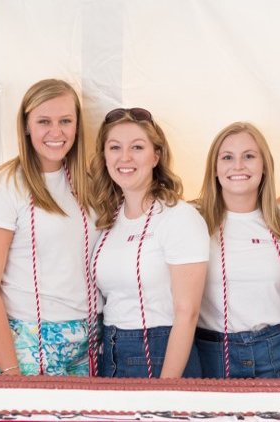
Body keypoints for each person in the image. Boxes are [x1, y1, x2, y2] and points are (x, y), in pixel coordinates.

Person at [0, 79, 99, 376]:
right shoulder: (4, 186)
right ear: (26, 126)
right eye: (44, 121)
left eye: (65, 121)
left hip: (89, 341)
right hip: (25, 344)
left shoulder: (88, 184)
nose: (56, 132)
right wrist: (10, 370)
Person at [89, 107, 208, 378]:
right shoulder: (109, 218)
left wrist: (165, 389)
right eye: (115, 147)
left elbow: (187, 313)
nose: (125, 157)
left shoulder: (178, 217)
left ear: (156, 156)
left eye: (137, 147)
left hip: (161, 352)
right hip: (112, 352)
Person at [192, 122, 280, 379]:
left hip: (277, 350)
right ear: (215, 168)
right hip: (213, 351)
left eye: (249, 156)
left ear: (264, 166)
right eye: (227, 157)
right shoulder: (192, 220)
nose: (238, 166)